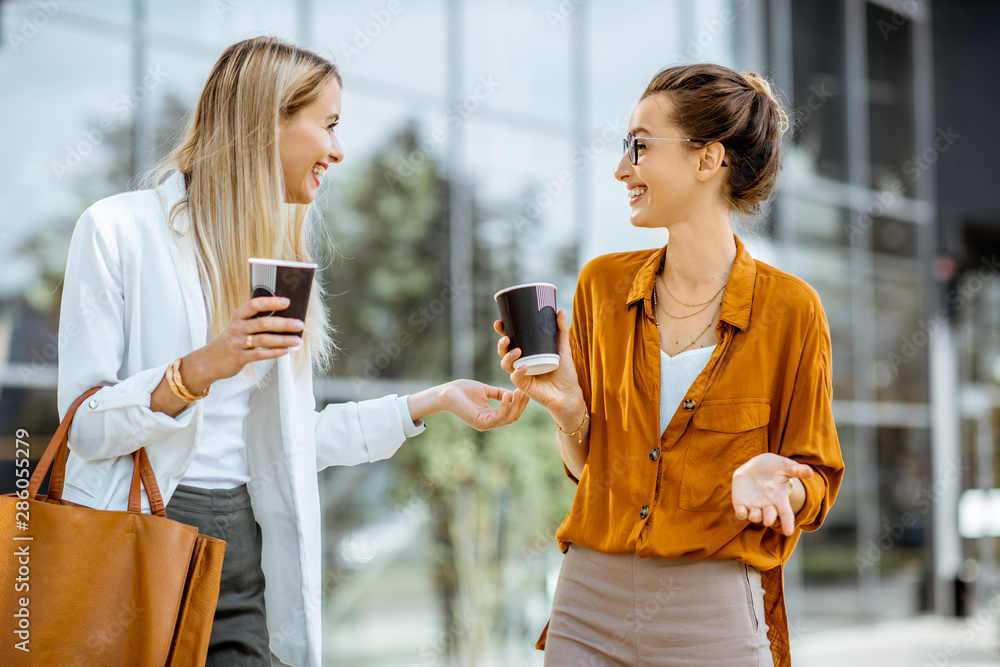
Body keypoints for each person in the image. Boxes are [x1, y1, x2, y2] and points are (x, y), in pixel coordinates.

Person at [57, 36, 527, 667]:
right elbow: (83, 427)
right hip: (145, 536)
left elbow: (290, 443)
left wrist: (432, 402)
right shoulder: (117, 230)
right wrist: (201, 369)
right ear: (267, 119)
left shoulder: (279, 262)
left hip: (246, 544)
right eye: (328, 125)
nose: (338, 150)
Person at [496, 63, 844, 667]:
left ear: (708, 160)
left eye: (640, 146)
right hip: (588, 601)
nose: (621, 167)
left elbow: (816, 479)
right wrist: (569, 410)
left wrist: (781, 481)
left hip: (713, 614)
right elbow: (588, 470)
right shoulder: (601, 287)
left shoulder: (791, 310)